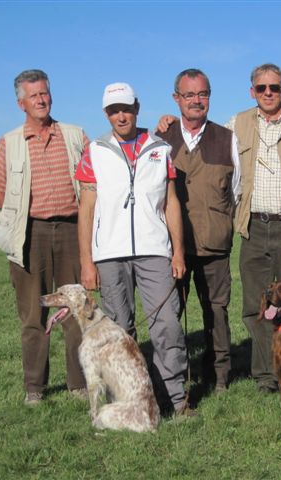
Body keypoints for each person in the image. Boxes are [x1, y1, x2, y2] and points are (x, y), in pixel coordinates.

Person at [75, 82, 192, 417]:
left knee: (167, 323)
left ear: (137, 107)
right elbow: (86, 209)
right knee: (118, 332)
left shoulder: (159, 147)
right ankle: (129, 401)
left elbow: (171, 202)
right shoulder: (94, 151)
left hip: (155, 250)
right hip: (109, 255)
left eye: (126, 108)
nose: (121, 115)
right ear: (106, 113)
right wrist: (87, 261)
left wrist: (178, 252)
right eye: (113, 110)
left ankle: (175, 399)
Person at [0, 69, 87, 406]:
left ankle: (79, 384)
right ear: (21, 103)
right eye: (34, 96)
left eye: (44, 93)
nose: (41, 99)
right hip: (31, 234)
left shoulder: (73, 135)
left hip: (72, 231)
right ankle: (35, 389)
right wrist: (21, 215)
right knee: (33, 315)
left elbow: (91, 182)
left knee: (76, 310)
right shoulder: (9, 142)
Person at [226, 64, 281, 393]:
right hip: (253, 227)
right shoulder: (237, 124)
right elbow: (199, 135)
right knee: (256, 307)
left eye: (274, 88)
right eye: (261, 88)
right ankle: (266, 375)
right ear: (252, 91)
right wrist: (168, 124)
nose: (267, 93)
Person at [156, 69, 241, 393]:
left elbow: (237, 191)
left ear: (209, 97)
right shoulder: (160, 138)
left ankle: (218, 377)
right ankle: (173, 374)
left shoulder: (227, 138)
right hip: (170, 245)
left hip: (214, 242)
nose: (196, 101)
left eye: (202, 94)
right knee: (170, 311)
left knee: (216, 312)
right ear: (176, 99)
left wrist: (220, 222)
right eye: (189, 95)